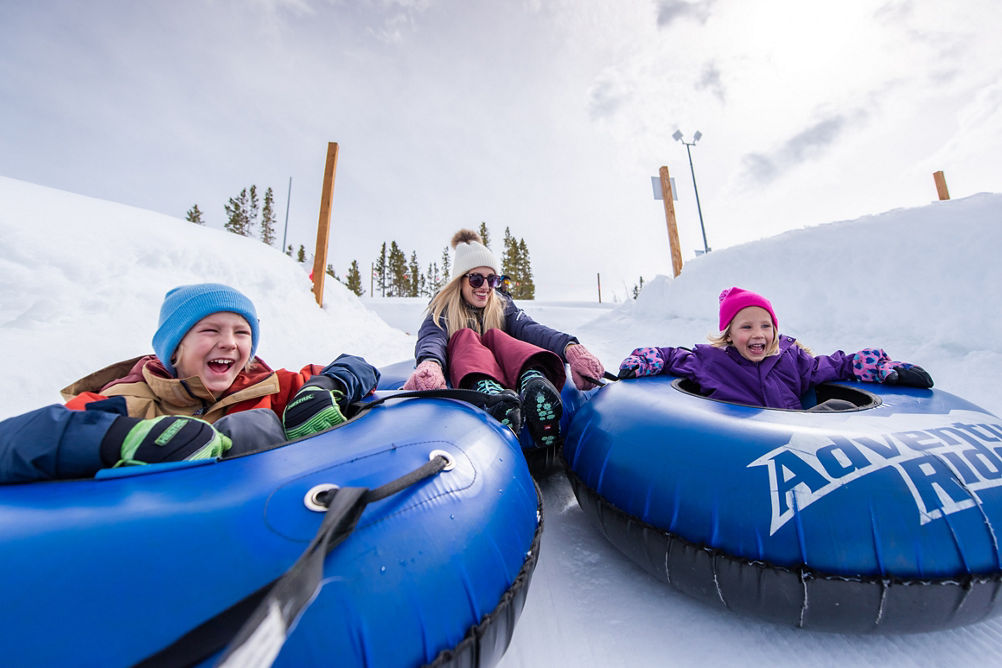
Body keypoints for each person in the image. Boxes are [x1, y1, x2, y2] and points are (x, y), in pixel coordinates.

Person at [0, 283, 379, 483]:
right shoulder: (124, 399)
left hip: (269, 533)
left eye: (242, 332)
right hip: (156, 543)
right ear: (175, 348)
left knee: (251, 425)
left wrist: (326, 386)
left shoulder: (270, 387)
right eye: (210, 330)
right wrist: (121, 438)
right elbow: (22, 439)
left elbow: (357, 367)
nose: (229, 342)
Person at [403, 229, 605, 446]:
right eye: (476, 279)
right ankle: (491, 396)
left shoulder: (501, 305)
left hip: (506, 369)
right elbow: (432, 336)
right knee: (465, 337)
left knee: (498, 336)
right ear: (460, 281)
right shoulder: (444, 308)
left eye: (492, 280)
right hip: (468, 371)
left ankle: (533, 383)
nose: (484, 287)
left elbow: (530, 329)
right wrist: (430, 363)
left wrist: (570, 347)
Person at [618, 286, 933, 410]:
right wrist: (644, 360)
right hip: (740, 444)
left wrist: (882, 368)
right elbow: (672, 356)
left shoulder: (792, 360)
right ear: (728, 334)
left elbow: (838, 365)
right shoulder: (710, 361)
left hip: (794, 440)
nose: (759, 334)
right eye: (747, 327)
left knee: (838, 407)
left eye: (765, 326)